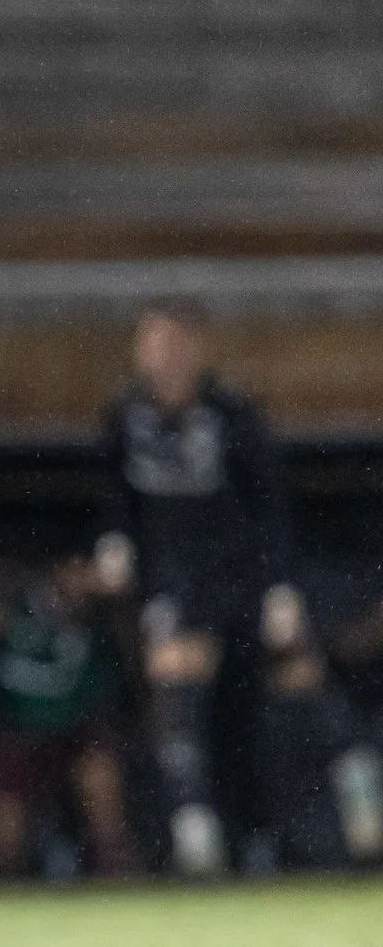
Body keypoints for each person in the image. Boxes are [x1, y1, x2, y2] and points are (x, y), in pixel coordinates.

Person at [93, 298, 301, 875]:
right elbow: (114, 495)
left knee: (251, 707)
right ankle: (193, 832)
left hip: (238, 581)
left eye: (174, 344)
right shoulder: (125, 415)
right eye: (152, 345)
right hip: (171, 581)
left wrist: (281, 588)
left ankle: (262, 836)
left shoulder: (232, 414)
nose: (163, 358)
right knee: (178, 698)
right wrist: (114, 542)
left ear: (198, 349)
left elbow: (269, 506)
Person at [0, 555, 135, 878]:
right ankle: (1, 881)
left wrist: (117, 606)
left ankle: (113, 870)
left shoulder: (102, 614)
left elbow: (129, 662)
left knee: (100, 768)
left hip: (74, 725)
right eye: (76, 570)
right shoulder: (16, 603)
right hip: (18, 726)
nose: (82, 580)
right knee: (6, 809)